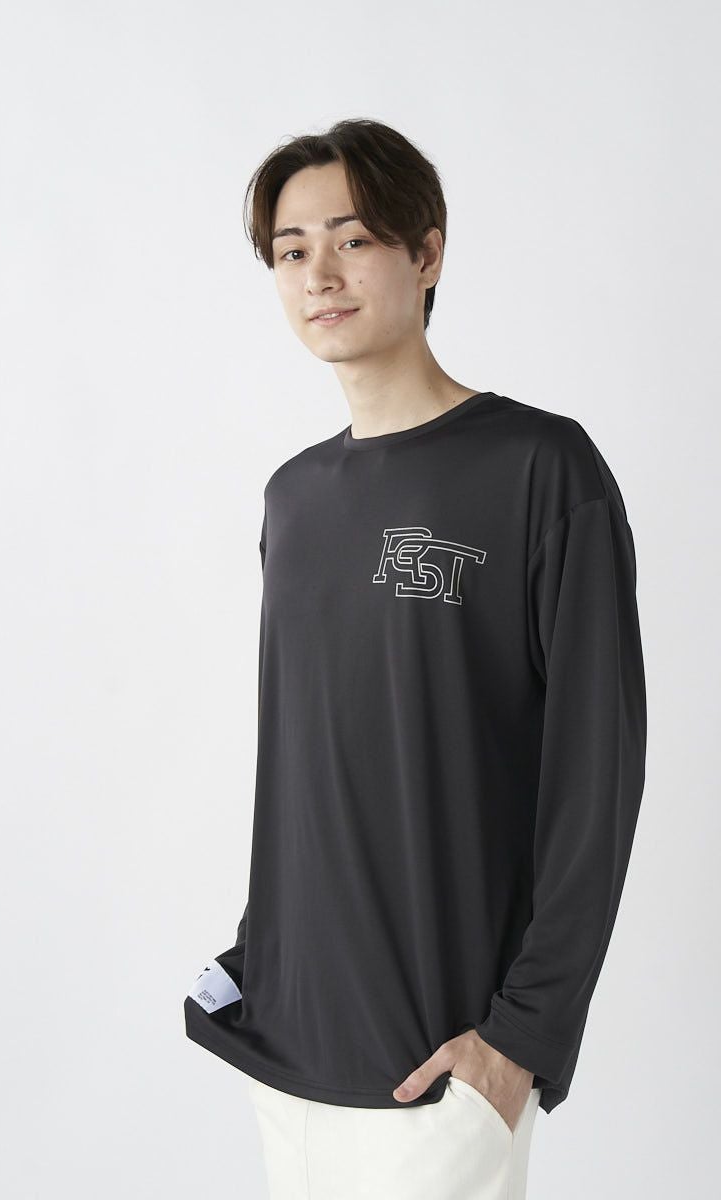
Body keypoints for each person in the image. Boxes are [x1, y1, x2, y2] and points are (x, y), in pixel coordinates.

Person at [184, 117, 648, 1200]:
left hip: (441, 1066)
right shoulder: (294, 498)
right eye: (292, 250)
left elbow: (598, 775)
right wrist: (259, 956)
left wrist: (523, 1036)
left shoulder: (541, 469)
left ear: (426, 252)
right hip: (287, 1045)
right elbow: (309, 756)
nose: (320, 274)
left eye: (352, 239)